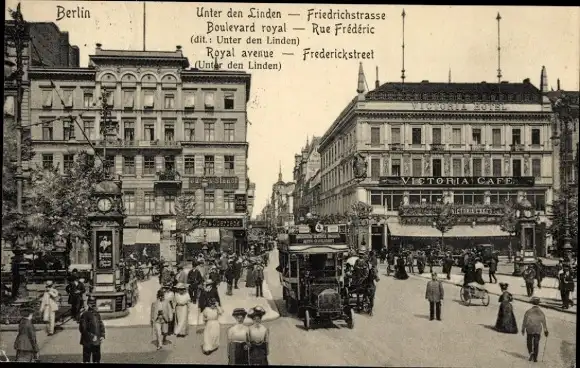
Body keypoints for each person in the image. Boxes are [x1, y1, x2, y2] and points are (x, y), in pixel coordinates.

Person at [521, 297, 549, 362]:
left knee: (529, 342)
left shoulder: (528, 311)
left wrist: (523, 329)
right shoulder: (541, 312)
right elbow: (543, 322)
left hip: (530, 329)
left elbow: (525, 321)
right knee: (536, 343)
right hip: (537, 330)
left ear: (532, 303)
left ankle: (531, 353)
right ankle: (535, 357)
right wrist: (545, 331)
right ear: (538, 304)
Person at [79, 295, 105, 363]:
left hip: (97, 341)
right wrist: (92, 336)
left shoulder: (97, 314)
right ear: (88, 304)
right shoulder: (85, 314)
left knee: (96, 358)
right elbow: (82, 329)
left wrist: (102, 335)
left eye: (94, 304)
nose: (93, 305)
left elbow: (101, 324)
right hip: (87, 340)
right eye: (91, 303)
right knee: (87, 358)